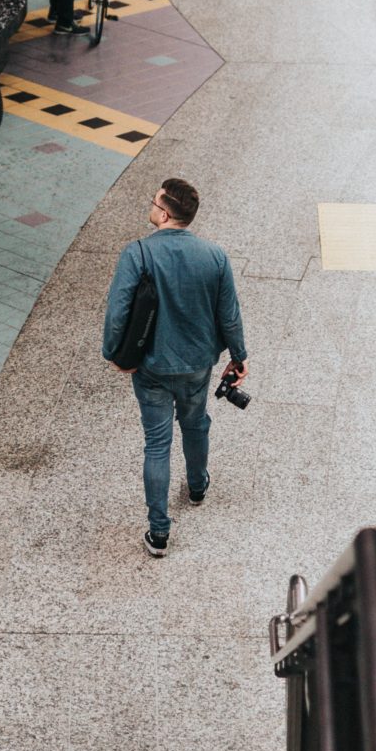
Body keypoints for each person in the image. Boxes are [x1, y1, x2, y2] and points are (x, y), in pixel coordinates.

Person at [102, 176, 246, 557]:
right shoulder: (214, 255)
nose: (150, 206)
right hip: (198, 364)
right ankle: (197, 485)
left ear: (164, 213)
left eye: (153, 201)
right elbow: (228, 314)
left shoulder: (137, 254)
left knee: (157, 444)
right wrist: (239, 356)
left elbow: (118, 313)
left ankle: (159, 533)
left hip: (151, 366)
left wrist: (115, 355)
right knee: (196, 422)